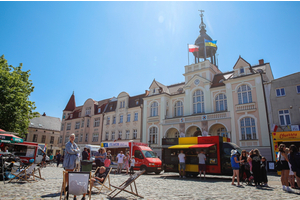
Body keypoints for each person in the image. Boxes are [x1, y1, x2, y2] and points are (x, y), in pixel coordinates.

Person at [63, 133, 80, 200]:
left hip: (73, 162)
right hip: (68, 162)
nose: (72, 138)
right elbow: (70, 151)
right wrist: (75, 151)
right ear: (69, 138)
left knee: (72, 174)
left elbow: (78, 151)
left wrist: (75, 151)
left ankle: (69, 186)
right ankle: (65, 186)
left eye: (73, 137)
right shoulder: (68, 144)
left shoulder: (75, 144)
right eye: (71, 137)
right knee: (67, 174)